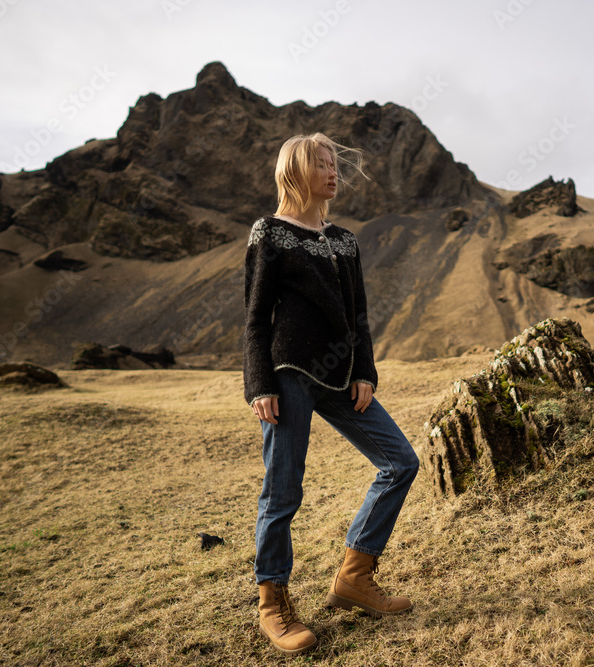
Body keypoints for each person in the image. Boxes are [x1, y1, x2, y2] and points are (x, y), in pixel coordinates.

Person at [243, 132, 420, 655]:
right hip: (289, 373)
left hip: (343, 377)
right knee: (283, 492)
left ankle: (354, 578)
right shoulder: (269, 233)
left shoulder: (345, 239)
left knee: (400, 461)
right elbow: (255, 319)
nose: (333, 172)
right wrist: (259, 384)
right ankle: (273, 603)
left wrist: (365, 370)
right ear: (295, 172)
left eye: (334, 164)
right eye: (321, 164)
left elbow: (358, 314)